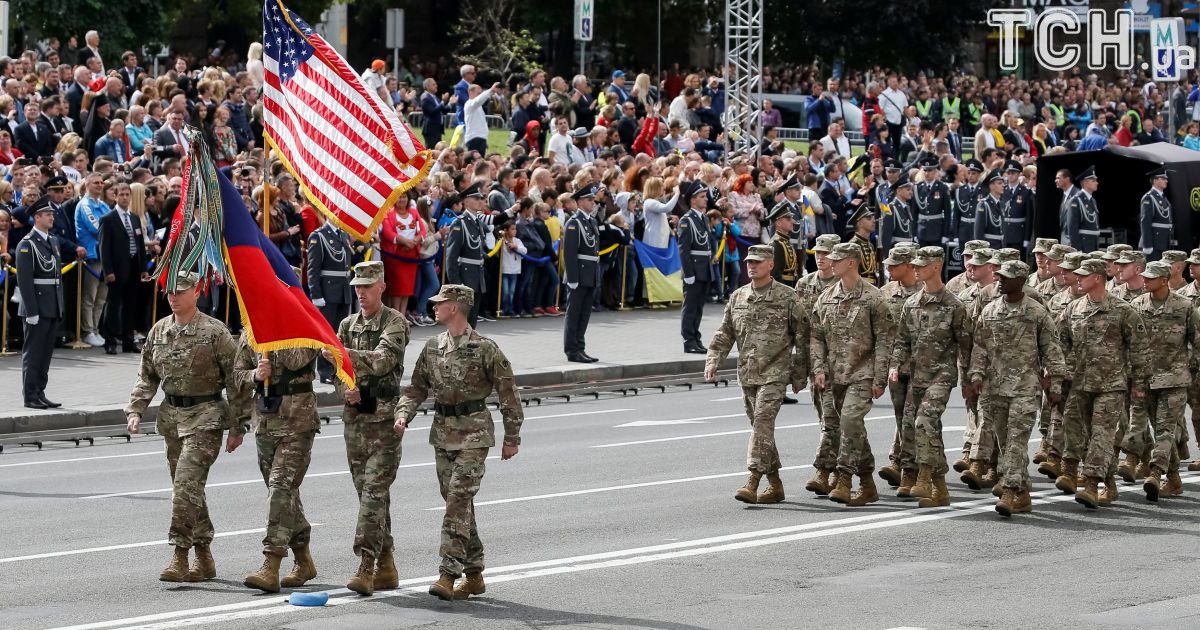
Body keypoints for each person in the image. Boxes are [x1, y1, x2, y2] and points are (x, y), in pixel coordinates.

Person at [393, 284, 523, 601]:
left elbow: (508, 392)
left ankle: (447, 574)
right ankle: (475, 575)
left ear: (455, 307)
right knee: (459, 505)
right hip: (443, 433)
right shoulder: (433, 346)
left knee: (456, 502)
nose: (434, 306)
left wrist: (512, 436)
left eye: (440, 303)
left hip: (475, 433)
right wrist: (403, 414)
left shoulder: (485, 348)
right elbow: (416, 389)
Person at [125, 271, 249, 582]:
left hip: (206, 416)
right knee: (189, 490)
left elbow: (236, 380)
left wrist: (239, 425)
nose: (174, 296)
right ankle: (204, 557)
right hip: (172, 418)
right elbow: (147, 375)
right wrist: (136, 409)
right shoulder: (159, 331)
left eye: (181, 291)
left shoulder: (214, 332)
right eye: (169, 291)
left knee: (185, 486)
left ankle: (179, 555)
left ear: (197, 292)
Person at [327, 261, 410, 596]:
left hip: (385, 420)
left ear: (382, 287)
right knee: (369, 497)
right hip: (356, 421)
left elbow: (382, 360)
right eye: (357, 286)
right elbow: (336, 371)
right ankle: (387, 564)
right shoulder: (347, 324)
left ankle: (366, 565)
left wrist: (339, 352)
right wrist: (342, 389)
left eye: (367, 285)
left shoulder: (395, 322)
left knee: (374, 494)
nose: (361, 292)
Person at [705, 244, 808, 504]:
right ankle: (775, 484)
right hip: (747, 374)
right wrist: (713, 360)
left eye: (758, 262)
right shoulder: (738, 296)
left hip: (775, 372)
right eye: (749, 261)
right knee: (760, 429)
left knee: (762, 423)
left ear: (771, 265)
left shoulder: (787, 297)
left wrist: (799, 373)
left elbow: (804, 336)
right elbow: (725, 332)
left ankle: (752, 480)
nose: (752, 266)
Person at [968, 261, 1064, 517]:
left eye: (1006, 277)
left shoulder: (1036, 312)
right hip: (994, 389)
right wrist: (976, 375)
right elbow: (979, 347)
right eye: (998, 276)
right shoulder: (989, 311)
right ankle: (1022, 493)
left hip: (1025, 388)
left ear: (1021, 280)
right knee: (1003, 442)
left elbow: (1052, 351)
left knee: (1015, 442)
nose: (1000, 281)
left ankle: (1011, 491)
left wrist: (1054, 384)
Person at [1055, 259, 1149, 510]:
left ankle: (1090, 484)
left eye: (1083, 276)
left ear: (1097, 278)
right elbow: (1059, 344)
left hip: (1112, 385)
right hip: (1081, 384)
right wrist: (1056, 374)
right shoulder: (1073, 309)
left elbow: (1139, 349)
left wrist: (1139, 384)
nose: (1077, 279)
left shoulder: (1123, 310)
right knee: (1089, 435)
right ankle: (1109, 483)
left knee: (1101, 434)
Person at [236, 324, 320, 593]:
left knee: (280, 489)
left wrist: (270, 338)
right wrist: (254, 375)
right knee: (285, 496)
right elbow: (236, 375)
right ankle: (303, 560)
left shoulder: (305, 324)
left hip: (298, 421)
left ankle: (270, 564)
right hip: (265, 422)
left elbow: (297, 359)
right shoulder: (251, 328)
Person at [889, 246, 972, 508]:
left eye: (920, 265)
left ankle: (924, 477)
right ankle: (941, 488)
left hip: (942, 374)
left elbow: (966, 345)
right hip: (916, 375)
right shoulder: (911, 304)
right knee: (915, 427)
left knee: (925, 420)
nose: (915, 269)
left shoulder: (954, 305)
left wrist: (970, 379)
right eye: (914, 265)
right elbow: (902, 340)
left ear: (936, 266)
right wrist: (894, 365)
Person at [810, 242, 890, 507]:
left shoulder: (873, 297)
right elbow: (817, 337)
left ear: (852, 262)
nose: (831, 262)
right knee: (852, 426)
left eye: (837, 259)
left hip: (862, 373)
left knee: (850, 420)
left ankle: (844, 479)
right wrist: (819, 369)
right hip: (835, 375)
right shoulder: (827, 297)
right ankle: (867, 483)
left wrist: (879, 378)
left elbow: (884, 340)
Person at [1128, 261, 1196, 501]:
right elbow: (1132, 345)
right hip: (1147, 380)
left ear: (1165, 280)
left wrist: (1194, 373)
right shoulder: (1137, 305)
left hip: (1175, 379)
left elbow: (1197, 343)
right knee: (1160, 431)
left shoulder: (1184, 306)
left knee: (1166, 429)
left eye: (1151, 277)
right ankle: (1175, 479)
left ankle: (1156, 473)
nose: (1145, 280)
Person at [877, 246, 922, 494]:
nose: (889, 268)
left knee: (911, 419)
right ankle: (908, 464)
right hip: (895, 367)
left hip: (920, 367)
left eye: (895, 265)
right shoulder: (885, 294)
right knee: (901, 418)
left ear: (909, 266)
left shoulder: (925, 291)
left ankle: (910, 470)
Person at [15, 203, 65, 409]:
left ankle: (40, 392)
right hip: (37, 306)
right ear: (36, 217)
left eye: (52, 214)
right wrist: (32, 311)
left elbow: (56, 277)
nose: (51, 218)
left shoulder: (52, 240)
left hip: (51, 304)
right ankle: (30, 395)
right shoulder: (27, 244)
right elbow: (25, 280)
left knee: (45, 354)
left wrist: (59, 306)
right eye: (47, 214)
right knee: (34, 354)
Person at [98, 181, 148, 354]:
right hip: (117, 269)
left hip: (133, 267)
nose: (125, 197)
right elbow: (104, 247)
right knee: (113, 306)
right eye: (121, 194)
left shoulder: (134, 218)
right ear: (115, 196)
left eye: (127, 194)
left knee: (130, 306)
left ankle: (128, 340)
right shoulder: (108, 219)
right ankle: (110, 340)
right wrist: (108, 271)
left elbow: (140, 244)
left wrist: (143, 267)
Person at [307, 219, 354, 383]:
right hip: (327, 292)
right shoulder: (318, 236)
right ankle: (325, 370)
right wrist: (316, 294)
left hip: (343, 290)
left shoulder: (343, 234)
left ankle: (337, 368)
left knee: (340, 333)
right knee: (327, 333)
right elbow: (313, 268)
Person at [562, 184, 601, 363]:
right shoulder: (573, 223)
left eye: (593, 199)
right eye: (589, 199)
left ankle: (580, 347)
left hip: (590, 273)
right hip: (578, 275)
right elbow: (569, 253)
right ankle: (572, 349)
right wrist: (572, 278)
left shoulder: (591, 221)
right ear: (578, 202)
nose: (592, 202)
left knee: (584, 313)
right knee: (574, 313)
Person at [444, 183, 488, 328]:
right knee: (461, 324)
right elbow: (451, 257)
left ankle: (468, 349)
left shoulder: (478, 223)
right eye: (476, 198)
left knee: (472, 323)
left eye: (481, 198)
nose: (480, 201)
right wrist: (457, 283)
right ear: (466, 201)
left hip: (477, 278)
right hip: (465, 278)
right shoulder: (459, 223)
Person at [678, 181, 715, 353]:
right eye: (702, 197)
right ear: (693, 200)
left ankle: (696, 337)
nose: (705, 199)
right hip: (694, 269)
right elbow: (684, 250)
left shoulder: (703, 218)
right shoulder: (687, 221)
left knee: (699, 307)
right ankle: (688, 340)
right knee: (690, 307)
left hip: (704, 269)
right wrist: (688, 273)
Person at [1139, 165, 1174, 262]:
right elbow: (1145, 222)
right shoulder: (1149, 197)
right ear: (1155, 180)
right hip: (1154, 244)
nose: (1166, 181)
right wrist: (1147, 245)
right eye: (1163, 178)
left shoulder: (1163, 198)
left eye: (1166, 179)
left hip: (1163, 242)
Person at [1066, 166, 1101, 253]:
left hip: (1093, 244)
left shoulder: (1093, 200)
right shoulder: (1076, 200)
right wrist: (1077, 249)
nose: (1097, 183)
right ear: (1085, 183)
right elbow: (1072, 228)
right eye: (1093, 181)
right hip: (1083, 245)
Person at [766, 202, 798, 285]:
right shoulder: (776, 244)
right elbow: (775, 274)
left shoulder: (785, 241)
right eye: (788, 219)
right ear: (779, 223)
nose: (793, 221)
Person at [847, 205, 879, 285]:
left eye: (873, 218)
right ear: (860, 224)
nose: (873, 221)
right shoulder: (853, 245)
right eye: (869, 219)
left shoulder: (870, 245)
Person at [974, 170, 1005, 250]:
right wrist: (981, 251)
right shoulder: (984, 204)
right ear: (991, 186)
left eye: (1003, 183)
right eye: (999, 183)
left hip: (1000, 247)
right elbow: (978, 232)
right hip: (989, 248)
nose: (1003, 185)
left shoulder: (1001, 204)